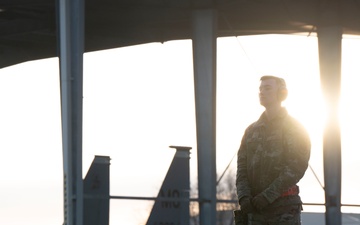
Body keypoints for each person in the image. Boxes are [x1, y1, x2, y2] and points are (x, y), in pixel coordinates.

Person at [235, 75, 311, 225]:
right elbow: (242, 169)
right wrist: (244, 198)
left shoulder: (295, 128)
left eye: (267, 88)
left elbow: (296, 167)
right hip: (255, 210)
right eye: (260, 89)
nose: (262, 92)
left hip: (283, 210)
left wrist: (267, 196)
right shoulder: (251, 131)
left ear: (282, 93)